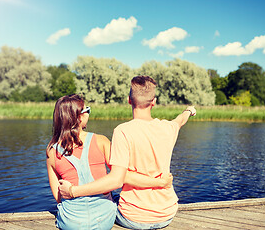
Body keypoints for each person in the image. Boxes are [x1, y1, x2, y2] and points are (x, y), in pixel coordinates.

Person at [59, 76, 196, 229]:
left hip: (133, 217)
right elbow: (180, 120)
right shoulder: (167, 128)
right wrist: (189, 110)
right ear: (154, 102)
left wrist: (72, 191)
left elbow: (120, 177)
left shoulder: (122, 132)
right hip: (167, 213)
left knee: (106, 201)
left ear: (129, 100)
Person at [46, 94, 173, 230]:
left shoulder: (52, 152)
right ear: (79, 117)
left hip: (71, 223)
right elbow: (123, 177)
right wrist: (160, 182)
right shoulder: (101, 142)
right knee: (119, 197)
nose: (89, 113)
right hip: (104, 220)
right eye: (87, 110)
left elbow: (58, 197)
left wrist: (73, 192)